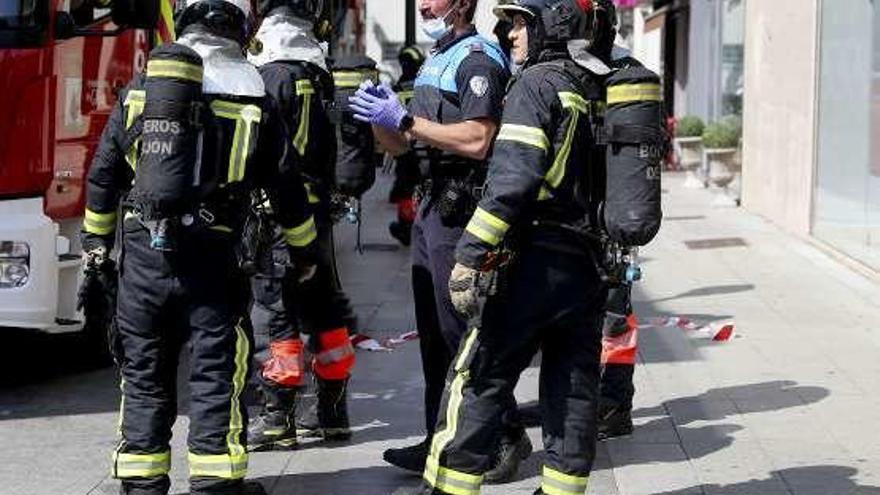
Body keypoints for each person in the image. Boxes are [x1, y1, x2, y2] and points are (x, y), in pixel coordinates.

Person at [81, 1, 317, 493]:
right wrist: (304, 251)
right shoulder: (253, 91)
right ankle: (215, 484)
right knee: (215, 376)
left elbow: (103, 175)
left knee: (143, 375)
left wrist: (95, 247)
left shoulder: (145, 89)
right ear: (238, 27)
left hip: (144, 259)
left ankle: (142, 484)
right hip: (214, 260)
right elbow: (287, 187)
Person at [413, 0, 612, 493]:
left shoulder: (535, 85)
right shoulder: (593, 86)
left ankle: (449, 486)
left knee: (479, 375)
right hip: (586, 263)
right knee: (572, 387)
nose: (512, 34)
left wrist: (470, 254)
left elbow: (512, 181)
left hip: (533, 260)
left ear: (551, 25)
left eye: (522, 24)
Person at [349, 0, 531, 481]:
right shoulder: (437, 57)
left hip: (461, 209)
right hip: (431, 206)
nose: (426, 3)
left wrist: (405, 120)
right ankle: (440, 438)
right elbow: (403, 145)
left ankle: (503, 436)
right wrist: (379, 118)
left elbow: (478, 140)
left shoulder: (477, 58)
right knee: (434, 338)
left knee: (462, 335)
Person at [245, 0, 359, 449]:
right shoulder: (317, 70)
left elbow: (268, 153)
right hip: (318, 210)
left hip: (281, 214)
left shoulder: (272, 75)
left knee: (277, 309)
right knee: (323, 306)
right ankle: (332, 412)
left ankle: (277, 418)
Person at [387, 44, 426, 246]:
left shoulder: (400, 87)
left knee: (406, 187)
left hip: (407, 144)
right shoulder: (424, 82)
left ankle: (407, 227)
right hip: (426, 142)